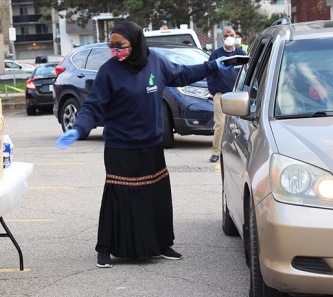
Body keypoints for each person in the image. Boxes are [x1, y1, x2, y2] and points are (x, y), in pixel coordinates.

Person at [56, 20, 233, 268]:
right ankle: (106, 249)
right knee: (120, 197)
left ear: (136, 43)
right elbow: (93, 105)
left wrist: (212, 65)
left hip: (151, 144)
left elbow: (181, 73)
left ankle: (161, 245)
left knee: (154, 195)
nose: (115, 50)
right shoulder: (109, 71)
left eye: (121, 45)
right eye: (112, 45)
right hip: (120, 146)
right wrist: (79, 128)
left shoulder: (155, 62)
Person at [206, 27, 247, 163]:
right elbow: (210, 73)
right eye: (226, 35)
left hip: (238, 96)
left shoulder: (241, 54)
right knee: (220, 124)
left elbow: (246, 73)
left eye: (231, 35)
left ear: (236, 36)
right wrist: (213, 92)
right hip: (221, 95)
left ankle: (240, 152)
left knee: (240, 125)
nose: (229, 37)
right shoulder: (216, 55)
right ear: (222, 38)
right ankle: (216, 152)